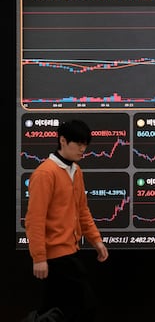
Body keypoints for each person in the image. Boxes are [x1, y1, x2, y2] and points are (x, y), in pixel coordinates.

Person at [24, 119, 109, 322]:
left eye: (85, 145)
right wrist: (39, 258)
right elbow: (35, 220)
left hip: (70, 251)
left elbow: (82, 210)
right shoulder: (45, 174)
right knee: (83, 305)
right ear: (62, 141)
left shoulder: (76, 171)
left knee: (55, 309)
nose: (83, 149)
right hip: (56, 256)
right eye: (78, 144)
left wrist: (96, 240)